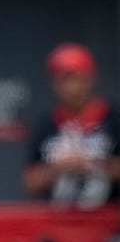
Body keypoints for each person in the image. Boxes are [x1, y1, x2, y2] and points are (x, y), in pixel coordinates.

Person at [24, 42, 120, 208]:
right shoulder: (46, 124)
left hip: (108, 222)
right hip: (59, 222)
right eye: (65, 79)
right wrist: (58, 168)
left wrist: (95, 164)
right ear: (54, 83)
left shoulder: (112, 119)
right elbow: (29, 184)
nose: (72, 87)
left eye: (78, 78)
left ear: (90, 79)